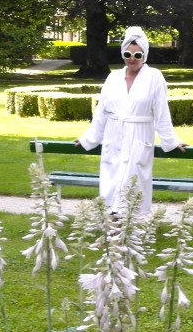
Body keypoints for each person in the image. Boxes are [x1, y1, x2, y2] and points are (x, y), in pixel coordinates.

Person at [76, 26, 186, 215]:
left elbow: (161, 112)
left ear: (145, 55)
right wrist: (88, 138)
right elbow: (101, 112)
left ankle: (130, 233)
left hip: (139, 137)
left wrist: (171, 140)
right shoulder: (113, 77)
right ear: (122, 54)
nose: (132, 59)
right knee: (112, 184)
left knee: (133, 185)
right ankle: (112, 233)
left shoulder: (154, 77)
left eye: (138, 55)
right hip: (114, 136)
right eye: (128, 54)